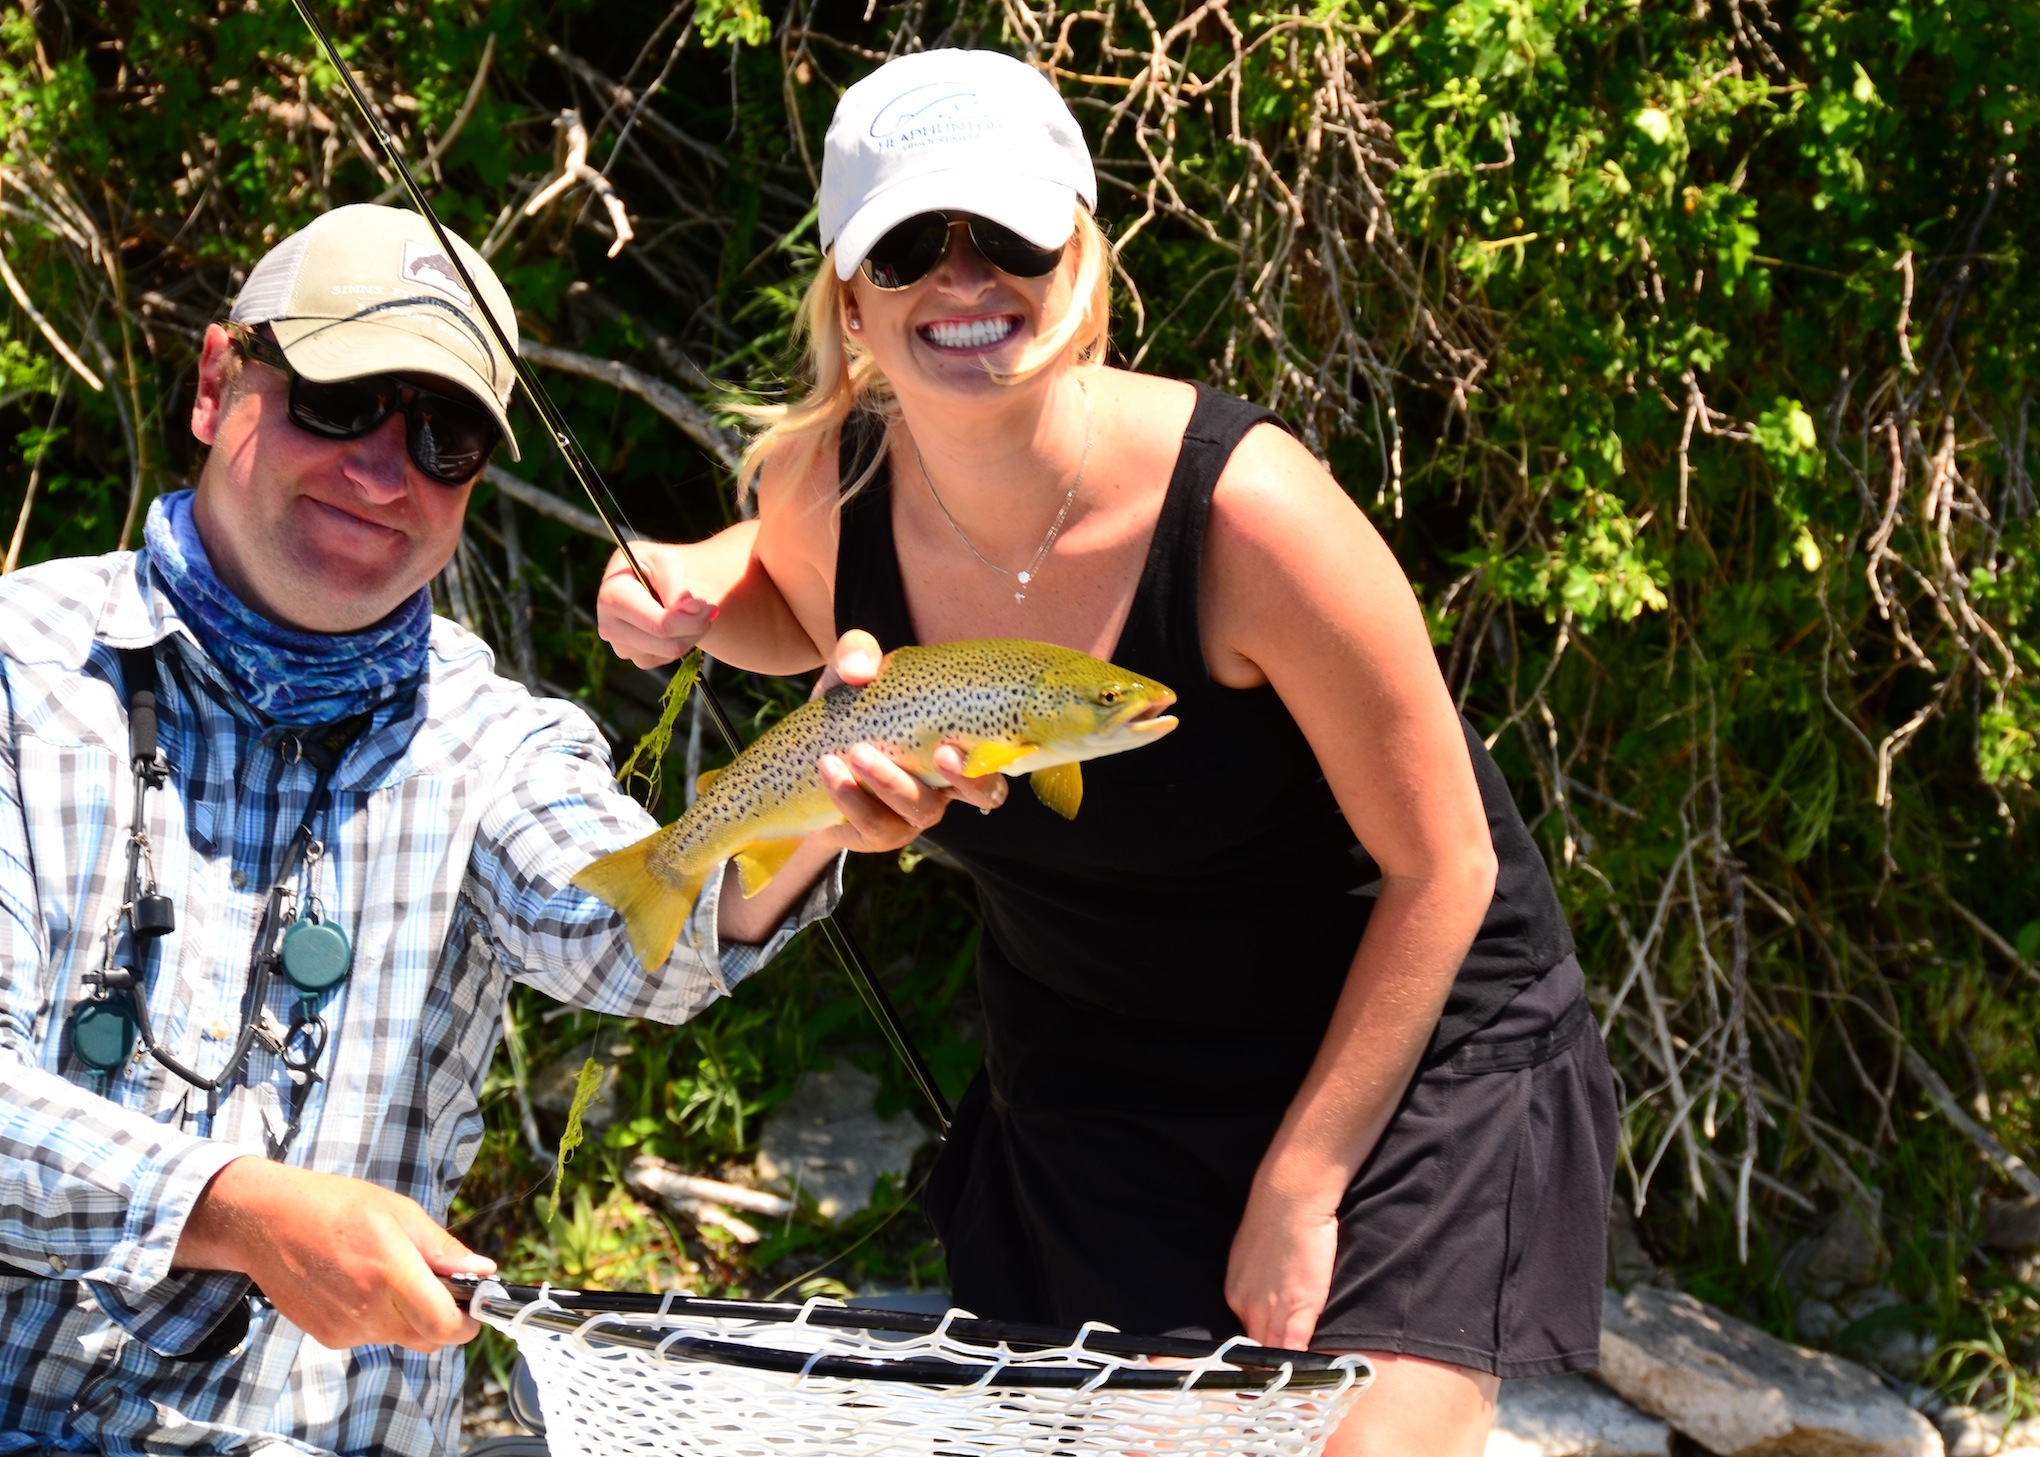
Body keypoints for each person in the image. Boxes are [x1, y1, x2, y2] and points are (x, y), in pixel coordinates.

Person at [596, 47, 1618, 1457]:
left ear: (1082, 252)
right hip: (1102, 1055)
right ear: (851, 293)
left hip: (1409, 1035)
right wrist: (695, 585)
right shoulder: (821, 490)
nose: (964, 280)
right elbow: (785, 597)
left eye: (1008, 235)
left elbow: (1446, 866)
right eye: (907, 246)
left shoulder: (1257, 517)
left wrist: (1300, 1184)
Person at [0, 203, 840, 1456]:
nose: (385, 470)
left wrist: (823, 790)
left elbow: (629, 932)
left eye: (443, 437)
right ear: (219, 380)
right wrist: (237, 1208)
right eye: (340, 401)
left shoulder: (493, 737)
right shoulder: (20, 669)